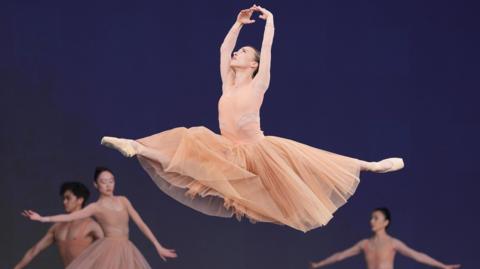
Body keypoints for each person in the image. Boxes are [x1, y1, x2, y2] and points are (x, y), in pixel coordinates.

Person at [100, 5, 404, 232]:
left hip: (257, 151)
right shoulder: (228, 84)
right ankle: (135, 146)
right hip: (227, 149)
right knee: (187, 143)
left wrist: (270, 22)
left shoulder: (259, 83)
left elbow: (268, 50)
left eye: (242, 52)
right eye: (238, 51)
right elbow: (222, 49)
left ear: (253, 64)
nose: (236, 54)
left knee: (305, 169)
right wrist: (237, 24)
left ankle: (371, 166)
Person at [22, 167, 177, 268]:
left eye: (111, 181)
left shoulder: (123, 200)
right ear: (96, 185)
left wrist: (158, 246)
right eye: (103, 182)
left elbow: (140, 223)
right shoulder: (95, 207)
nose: (108, 185)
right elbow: (70, 217)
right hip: (108, 250)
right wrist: (43, 218)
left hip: (127, 249)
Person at [309, 208, 460, 269]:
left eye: (376, 218)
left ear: (385, 222)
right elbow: (341, 255)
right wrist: (319, 264)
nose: (371, 221)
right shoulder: (365, 244)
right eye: (371, 218)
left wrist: (443, 266)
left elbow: (417, 255)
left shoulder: (392, 243)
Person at [14, 182, 103, 268]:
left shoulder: (91, 225)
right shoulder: (57, 227)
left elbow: (110, 251)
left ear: (80, 200)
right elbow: (35, 250)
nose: (64, 202)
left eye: (68, 198)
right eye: (63, 198)